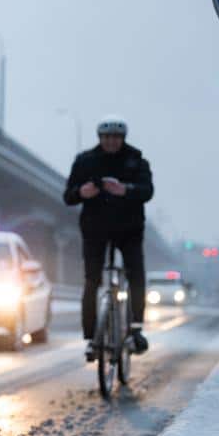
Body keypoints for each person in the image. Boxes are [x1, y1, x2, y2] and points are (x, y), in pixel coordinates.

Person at [62, 115, 154, 360]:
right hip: (95, 228)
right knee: (92, 280)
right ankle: (91, 337)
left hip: (129, 229)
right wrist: (82, 192)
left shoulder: (136, 161)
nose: (111, 142)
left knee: (136, 274)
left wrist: (126, 190)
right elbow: (68, 196)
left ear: (122, 139)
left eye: (115, 137)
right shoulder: (85, 161)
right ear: (99, 138)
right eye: (106, 137)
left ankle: (135, 329)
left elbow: (148, 191)